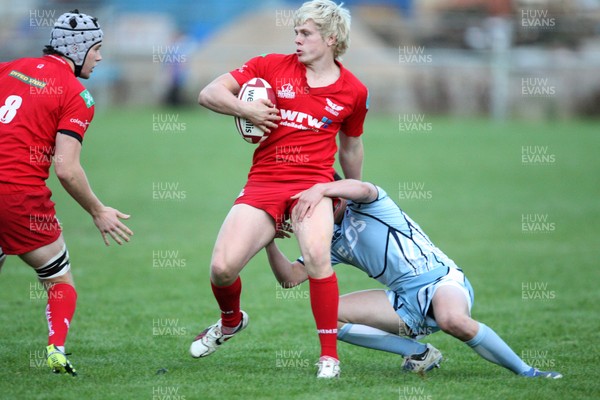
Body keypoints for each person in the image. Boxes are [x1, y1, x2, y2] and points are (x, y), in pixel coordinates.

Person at [190, 0, 369, 378]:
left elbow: (350, 146)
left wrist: (350, 194)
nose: (297, 40)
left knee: (318, 255)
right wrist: (247, 110)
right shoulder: (270, 65)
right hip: (264, 183)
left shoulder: (353, 91)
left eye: (306, 33)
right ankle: (231, 321)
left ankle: (329, 357)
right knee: (222, 269)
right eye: (296, 32)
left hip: (314, 187)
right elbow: (209, 93)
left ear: (331, 38)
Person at [265, 178, 563, 379]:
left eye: (319, 199)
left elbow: (363, 187)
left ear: (335, 194)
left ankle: (528, 372)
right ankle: (419, 352)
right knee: (329, 315)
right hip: (403, 302)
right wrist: (269, 240)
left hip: (440, 281)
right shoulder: (328, 241)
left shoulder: (369, 204)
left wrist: (321, 188)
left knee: (452, 321)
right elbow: (290, 278)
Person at [0, 10, 133, 376]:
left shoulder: (9, 67)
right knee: (58, 277)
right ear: (79, 49)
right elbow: (67, 168)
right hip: (18, 197)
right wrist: (97, 209)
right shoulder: (78, 95)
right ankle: (56, 348)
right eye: (97, 49)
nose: (100, 57)